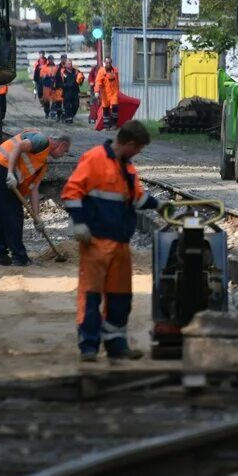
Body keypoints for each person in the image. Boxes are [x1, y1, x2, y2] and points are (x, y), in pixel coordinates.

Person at [62, 120, 159, 362]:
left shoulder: (127, 168)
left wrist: (160, 205)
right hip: (96, 241)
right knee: (92, 296)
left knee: (120, 297)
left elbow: (135, 198)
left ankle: (116, 346)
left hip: (120, 242)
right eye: (137, 149)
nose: (138, 154)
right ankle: (89, 347)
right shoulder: (94, 159)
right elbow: (72, 192)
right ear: (127, 143)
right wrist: (79, 222)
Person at [0, 129, 71, 266]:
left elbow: (34, 190)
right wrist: (10, 174)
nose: (64, 155)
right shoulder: (41, 141)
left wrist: (37, 218)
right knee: (14, 214)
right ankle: (19, 257)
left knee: (2, 213)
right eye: (65, 151)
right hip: (1, 167)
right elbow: (18, 147)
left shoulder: (42, 163)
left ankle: (0, 254)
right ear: (61, 144)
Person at [95, 57, 121, 130]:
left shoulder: (115, 70)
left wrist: (118, 90)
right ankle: (106, 125)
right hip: (105, 93)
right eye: (107, 62)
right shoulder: (101, 71)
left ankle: (114, 124)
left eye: (109, 62)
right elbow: (98, 82)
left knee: (115, 109)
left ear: (111, 62)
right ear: (104, 63)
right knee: (106, 109)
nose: (108, 64)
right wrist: (96, 91)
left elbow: (117, 81)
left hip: (114, 93)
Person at [59, 59, 85, 124]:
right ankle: (68, 117)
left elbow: (81, 78)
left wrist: (81, 79)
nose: (70, 65)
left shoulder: (76, 71)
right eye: (68, 64)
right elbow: (59, 82)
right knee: (67, 105)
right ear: (65, 65)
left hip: (75, 90)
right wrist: (66, 85)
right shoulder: (62, 72)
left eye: (70, 63)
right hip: (66, 91)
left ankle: (70, 115)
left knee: (76, 105)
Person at [49, 54, 68, 120]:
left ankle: (66, 115)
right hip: (58, 87)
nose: (64, 60)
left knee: (66, 102)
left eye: (65, 58)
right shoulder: (57, 67)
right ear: (61, 59)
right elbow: (53, 78)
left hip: (66, 87)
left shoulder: (68, 67)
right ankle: (58, 115)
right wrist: (52, 87)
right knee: (58, 102)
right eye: (63, 58)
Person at [87, 60, 101, 125]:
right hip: (94, 88)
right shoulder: (94, 68)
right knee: (93, 102)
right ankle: (92, 117)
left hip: (101, 88)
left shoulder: (104, 69)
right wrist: (91, 82)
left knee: (100, 103)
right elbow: (90, 77)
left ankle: (99, 117)